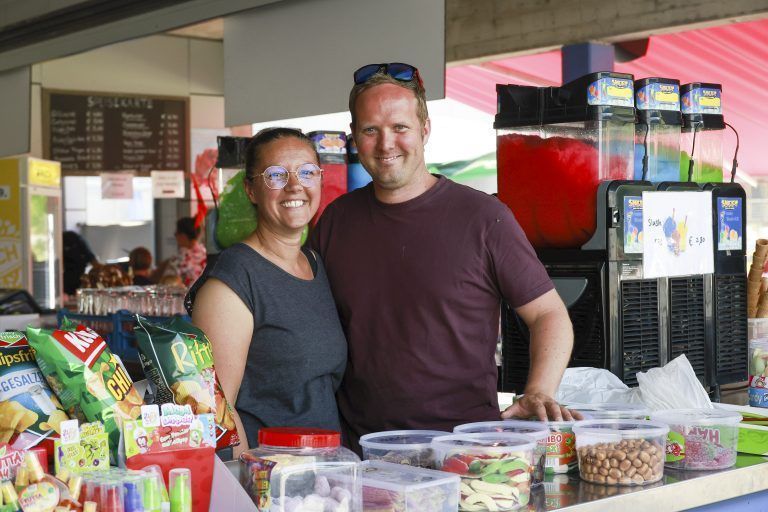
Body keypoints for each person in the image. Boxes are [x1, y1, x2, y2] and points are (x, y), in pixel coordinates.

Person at [309, 63, 575, 452]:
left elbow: (548, 313)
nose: (386, 145)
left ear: (425, 130)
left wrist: (539, 390)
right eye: (371, 130)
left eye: (400, 128)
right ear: (354, 137)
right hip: (362, 451)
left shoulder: (484, 217)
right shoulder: (335, 221)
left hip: (464, 451)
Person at [187, 128, 347, 456]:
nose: (295, 185)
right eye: (276, 175)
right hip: (268, 483)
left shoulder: (315, 264)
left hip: (325, 479)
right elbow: (216, 414)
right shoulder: (234, 279)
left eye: (307, 172)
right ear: (251, 190)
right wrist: (251, 492)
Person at [62, 230, 99, 296]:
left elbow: (90, 256)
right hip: (69, 276)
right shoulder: (70, 237)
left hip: (75, 275)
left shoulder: (72, 237)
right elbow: (90, 257)